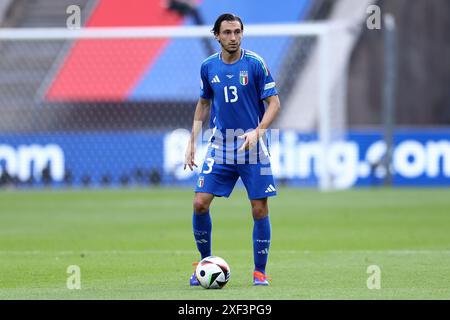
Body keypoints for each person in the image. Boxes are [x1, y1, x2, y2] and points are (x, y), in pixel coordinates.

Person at [184, 13, 281, 286]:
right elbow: (204, 103)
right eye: (227, 32)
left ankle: (260, 271)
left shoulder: (255, 64)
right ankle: (205, 263)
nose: (233, 37)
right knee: (199, 203)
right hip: (221, 145)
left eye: (237, 32)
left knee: (259, 209)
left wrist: (258, 131)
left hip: (253, 147)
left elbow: (274, 103)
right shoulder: (208, 67)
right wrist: (192, 139)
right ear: (216, 35)